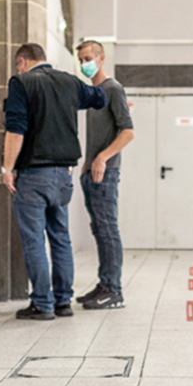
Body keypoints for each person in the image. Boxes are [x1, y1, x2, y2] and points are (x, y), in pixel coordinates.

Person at [2, 43, 107, 320]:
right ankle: (62, 302)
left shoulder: (21, 83)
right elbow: (100, 98)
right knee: (60, 238)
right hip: (64, 175)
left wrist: (7, 168)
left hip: (34, 175)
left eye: (18, 65)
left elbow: (15, 131)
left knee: (34, 240)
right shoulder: (69, 82)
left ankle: (42, 303)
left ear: (22, 61)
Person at [74, 40, 136, 310]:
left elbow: (128, 131)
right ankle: (104, 284)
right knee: (99, 229)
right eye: (80, 59)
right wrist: (88, 161)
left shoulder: (113, 89)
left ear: (101, 58)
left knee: (107, 228)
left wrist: (101, 158)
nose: (84, 63)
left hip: (106, 172)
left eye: (87, 57)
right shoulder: (93, 92)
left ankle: (113, 290)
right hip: (92, 172)